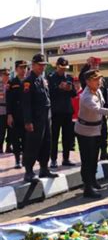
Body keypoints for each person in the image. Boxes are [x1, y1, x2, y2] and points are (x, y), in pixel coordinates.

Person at [75, 69, 108, 198]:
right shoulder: (86, 96)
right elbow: (97, 109)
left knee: (94, 158)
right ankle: (88, 188)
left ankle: (92, 181)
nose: (99, 82)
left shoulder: (97, 91)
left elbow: (103, 105)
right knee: (87, 160)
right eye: (95, 79)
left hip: (96, 129)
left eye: (99, 79)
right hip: (85, 131)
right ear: (87, 82)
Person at [22, 54, 58, 182]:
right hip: (35, 118)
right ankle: (29, 171)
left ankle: (44, 168)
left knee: (47, 143)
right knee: (33, 144)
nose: (42, 68)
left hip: (46, 116)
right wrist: (28, 121)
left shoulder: (42, 80)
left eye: (44, 66)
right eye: (40, 65)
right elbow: (26, 103)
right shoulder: (28, 81)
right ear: (33, 65)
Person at [48, 57, 76, 168]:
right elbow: (49, 93)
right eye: (61, 68)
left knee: (67, 137)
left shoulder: (69, 78)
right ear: (57, 66)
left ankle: (66, 158)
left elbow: (74, 94)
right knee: (54, 137)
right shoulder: (51, 77)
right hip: (56, 111)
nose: (63, 70)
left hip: (67, 111)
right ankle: (53, 159)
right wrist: (59, 88)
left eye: (65, 68)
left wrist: (70, 89)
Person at [6, 61, 28, 168]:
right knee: (15, 138)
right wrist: (9, 115)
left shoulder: (29, 82)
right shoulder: (11, 83)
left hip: (26, 115)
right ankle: (17, 160)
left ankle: (24, 158)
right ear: (16, 69)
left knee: (26, 138)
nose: (23, 70)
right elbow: (9, 101)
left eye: (25, 68)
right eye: (21, 68)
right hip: (15, 115)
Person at [70, 77, 82, 151]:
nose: (76, 85)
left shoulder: (83, 93)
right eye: (74, 83)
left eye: (77, 83)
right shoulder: (70, 93)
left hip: (80, 118)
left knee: (81, 138)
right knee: (71, 138)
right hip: (71, 118)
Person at [0, 68, 8, 154]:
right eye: (5, 74)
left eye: (8, 75)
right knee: (1, 131)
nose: (7, 76)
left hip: (10, 111)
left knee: (11, 131)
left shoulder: (10, 85)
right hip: (1, 111)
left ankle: (9, 146)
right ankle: (0, 147)